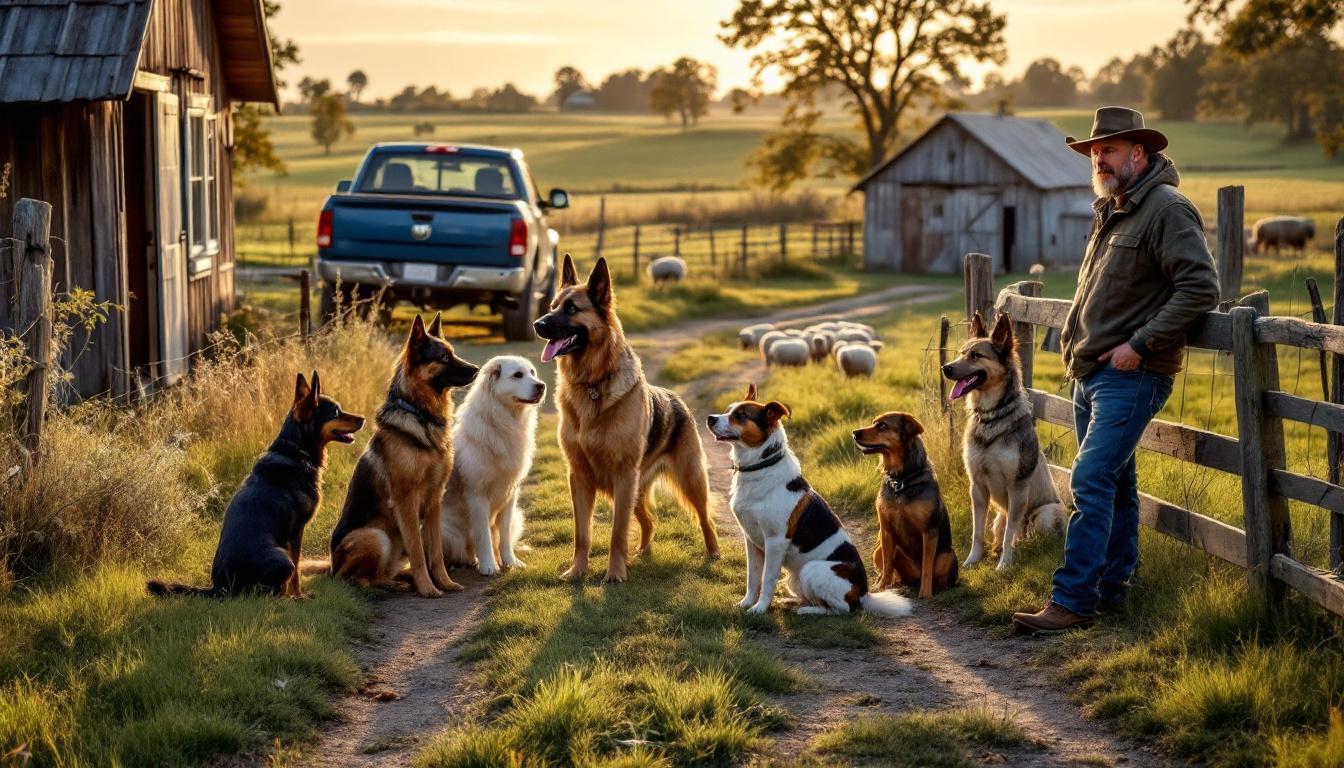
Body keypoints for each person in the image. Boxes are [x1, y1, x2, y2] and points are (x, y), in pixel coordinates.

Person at [1012, 106, 1220, 633]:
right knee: (1117, 482)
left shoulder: (1167, 208)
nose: (1099, 159)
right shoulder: (1115, 208)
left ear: (1139, 153)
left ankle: (1073, 600)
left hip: (1133, 372)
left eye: (1109, 150)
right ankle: (1112, 589)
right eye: (1095, 152)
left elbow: (1200, 287)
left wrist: (1140, 343)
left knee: (1089, 477)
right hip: (1093, 371)